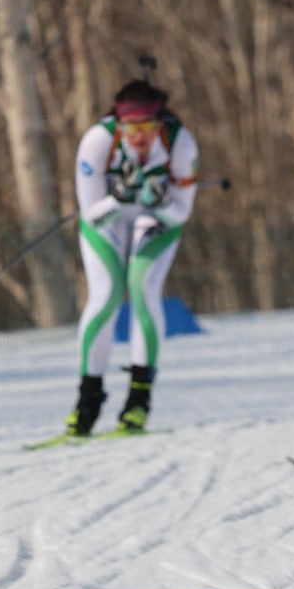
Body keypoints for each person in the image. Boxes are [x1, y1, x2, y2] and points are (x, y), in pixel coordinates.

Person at [65, 79, 201, 436]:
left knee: (143, 286)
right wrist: (120, 198)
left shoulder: (180, 142)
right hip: (109, 220)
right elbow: (90, 214)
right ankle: (87, 402)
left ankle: (138, 401)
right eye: (130, 127)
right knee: (106, 294)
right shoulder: (98, 142)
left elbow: (182, 212)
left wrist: (158, 202)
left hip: (156, 219)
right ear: (119, 124)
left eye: (146, 126)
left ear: (158, 124)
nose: (138, 136)